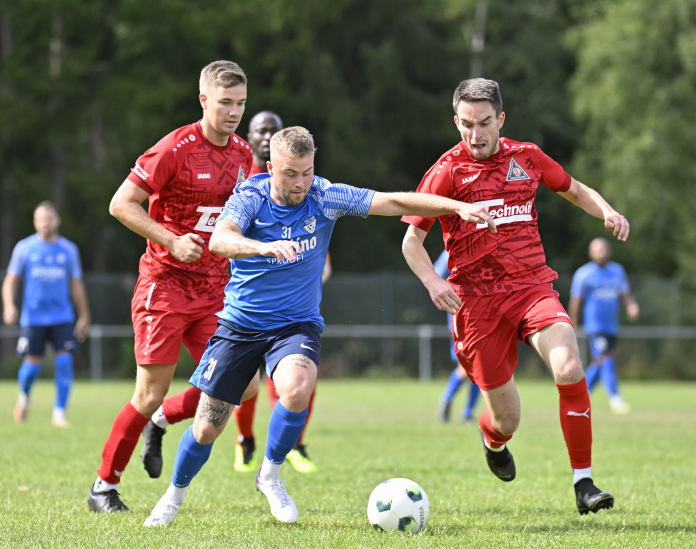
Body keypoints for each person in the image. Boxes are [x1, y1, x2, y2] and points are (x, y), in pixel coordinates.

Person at [143, 126, 494, 526]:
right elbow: (221, 240)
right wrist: (264, 247)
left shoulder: (323, 196)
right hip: (241, 324)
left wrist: (454, 207)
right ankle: (172, 498)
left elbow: (392, 200)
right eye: (291, 173)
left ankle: (271, 476)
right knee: (207, 427)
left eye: (307, 172)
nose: (300, 182)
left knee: (295, 389)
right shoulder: (250, 197)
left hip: (297, 323)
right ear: (271, 167)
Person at [401, 78, 631, 515]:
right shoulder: (446, 171)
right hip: (475, 304)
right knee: (507, 420)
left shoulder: (526, 157)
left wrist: (607, 211)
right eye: (466, 125)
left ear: (500, 119)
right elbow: (412, 241)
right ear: (456, 122)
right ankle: (493, 440)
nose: (476, 134)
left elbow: (575, 189)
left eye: (485, 123)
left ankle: (584, 482)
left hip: (531, 288)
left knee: (568, 364)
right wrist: (435, 282)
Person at [87, 60, 259, 514]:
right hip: (163, 286)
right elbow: (120, 204)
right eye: (225, 102)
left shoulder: (243, 154)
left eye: (240, 103)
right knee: (149, 393)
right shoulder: (175, 148)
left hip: (214, 290)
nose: (233, 112)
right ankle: (103, 487)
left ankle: (161, 422)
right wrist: (169, 239)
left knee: (243, 385)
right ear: (203, 100)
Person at [232, 110, 321, 474]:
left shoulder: (298, 179)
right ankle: (245, 439)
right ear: (249, 138)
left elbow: (310, 220)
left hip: (293, 295)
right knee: (243, 381)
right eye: (260, 130)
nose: (266, 135)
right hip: (247, 297)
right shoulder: (242, 180)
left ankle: (291, 446)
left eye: (273, 129)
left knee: (299, 377)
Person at [3, 201, 91, 428]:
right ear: (34, 222)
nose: (45, 222)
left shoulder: (69, 250)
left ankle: (59, 413)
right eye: (41, 218)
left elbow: (76, 285)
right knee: (32, 366)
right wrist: (9, 306)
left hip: (62, 316)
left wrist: (84, 315)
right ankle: (23, 399)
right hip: (33, 318)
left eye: (49, 218)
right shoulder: (25, 248)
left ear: (57, 220)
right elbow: (10, 281)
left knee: (65, 362)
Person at [568, 238, 639, 415]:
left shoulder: (617, 271)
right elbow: (575, 303)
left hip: (611, 326)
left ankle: (582, 396)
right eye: (597, 249)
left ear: (610, 251)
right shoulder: (583, 274)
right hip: (594, 326)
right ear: (590, 253)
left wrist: (631, 306)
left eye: (604, 249)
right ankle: (615, 399)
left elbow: (625, 294)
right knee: (605, 358)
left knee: (600, 361)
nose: (601, 252)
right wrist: (572, 326)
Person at [434, 250, 480, 423]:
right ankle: (450, 400)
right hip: (460, 317)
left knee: (480, 367)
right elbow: (436, 275)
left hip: (483, 316)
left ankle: (466, 412)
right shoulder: (453, 249)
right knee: (471, 367)